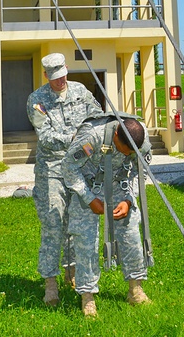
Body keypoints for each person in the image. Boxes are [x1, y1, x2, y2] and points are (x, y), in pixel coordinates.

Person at [27, 52, 105, 306]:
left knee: (77, 222)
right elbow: (46, 137)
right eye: (54, 78)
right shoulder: (37, 100)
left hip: (80, 167)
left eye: (62, 76)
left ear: (67, 70)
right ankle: (50, 283)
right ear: (46, 76)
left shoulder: (81, 91)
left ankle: (72, 273)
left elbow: (97, 118)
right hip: (52, 168)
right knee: (53, 220)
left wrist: (92, 137)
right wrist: (76, 137)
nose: (60, 82)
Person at [62, 115, 151, 317]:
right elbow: (68, 167)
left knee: (131, 234)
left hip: (120, 186)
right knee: (86, 240)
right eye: (123, 148)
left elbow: (141, 171)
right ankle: (87, 297)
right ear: (116, 133)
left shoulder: (142, 140)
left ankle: (135, 289)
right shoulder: (93, 136)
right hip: (87, 186)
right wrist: (89, 199)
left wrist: (129, 199)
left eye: (130, 152)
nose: (126, 153)